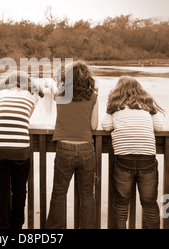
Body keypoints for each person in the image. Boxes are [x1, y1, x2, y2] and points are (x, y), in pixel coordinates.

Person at [101, 76, 164, 229]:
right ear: (139, 90)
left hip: (123, 160)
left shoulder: (114, 106)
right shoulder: (147, 105)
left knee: (122, 204)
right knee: (149, 204)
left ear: (118, 90)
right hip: (147, 161)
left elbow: (105, 126)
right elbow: (159, 127)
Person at [0, 70, 44, 229]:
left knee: (0, 189)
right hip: (19, 148)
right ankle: (16, 227)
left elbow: (2, 114)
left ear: (7, 82)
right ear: (28, 84)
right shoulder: (32, 97)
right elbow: (24, 117)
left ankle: (1, 227)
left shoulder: (2, 94)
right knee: (19, 190)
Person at [45, 60, 99, 229]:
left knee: (59, 194)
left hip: (64, 148)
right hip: (86, 148)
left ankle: (54, 233)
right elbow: (94, 126)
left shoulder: (60, 94)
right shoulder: (93, 96)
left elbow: (51, 88)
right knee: (87, 196)